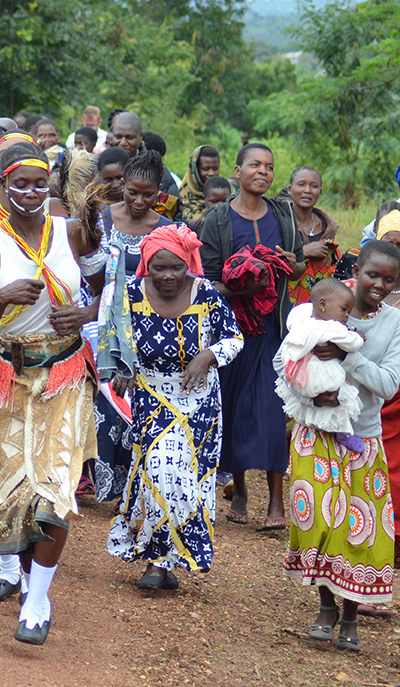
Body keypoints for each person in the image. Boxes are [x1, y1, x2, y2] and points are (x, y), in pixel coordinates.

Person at [0, 138, 102, 645]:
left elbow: (111, 295)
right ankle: (25, 578)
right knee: (19, 492)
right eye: (20, 183)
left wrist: (85, 315)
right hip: (8, 376)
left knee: (55, 489)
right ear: (1, 183)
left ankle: (38, 598)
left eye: (40, 183)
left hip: (64, 375)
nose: (32, 191)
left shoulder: (73, 232)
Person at [106, 225, 244, 588]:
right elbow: (116, 337)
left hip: (198, 402)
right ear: (147, 266)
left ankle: (164, 561)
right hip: (151, 396)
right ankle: (157, 561)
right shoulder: (131, 294)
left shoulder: (207, 293)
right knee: (158, 470)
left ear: (189, 264)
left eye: (176, 268)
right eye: (159, 268)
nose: (168, 276)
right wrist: (125, 367)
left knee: (183, 480)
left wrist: (208, 356)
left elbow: (234, 337)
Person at [283, 240, 400, 652]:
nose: (379, 285)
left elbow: (388, 385)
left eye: (389, 279)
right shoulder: (321, 301)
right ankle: (326, 605)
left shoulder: (394, 324)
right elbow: (290, 361)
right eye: (373, 275)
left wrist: (347, 356)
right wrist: (311, 398)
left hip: (362, 439)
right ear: (357, 269)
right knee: (316, 518)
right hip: (315, 432)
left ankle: (350, 615)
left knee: (357, 529)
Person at [198, 143, 304, 530]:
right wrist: (245, 289)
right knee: (234, 408)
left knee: (274, 412)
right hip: (231, 332)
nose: (263, 172)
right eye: (255, 165)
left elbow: (297, 265)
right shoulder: (218, 219)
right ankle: (239, 490)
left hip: (273, 331)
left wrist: (292, 267)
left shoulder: (284, 214)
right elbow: (207, 279)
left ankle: (276, 503)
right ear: (238, 171)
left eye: (270, 167)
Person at [93, 151, 175, 502]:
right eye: (132, 193)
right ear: (121, 186)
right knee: (104, 405)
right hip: (98, 326)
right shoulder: (100, 220)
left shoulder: (166, 229)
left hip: (146, 327)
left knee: (138, 404)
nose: (139, 201)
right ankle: (102, 482)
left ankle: (133, 487)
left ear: (160, 192)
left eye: (148, 195)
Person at [276, 279, 365, 450]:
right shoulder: (330, 327)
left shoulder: (300, 323)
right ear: (323, 304)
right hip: (325, 377)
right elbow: (352, 343)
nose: (347, 315)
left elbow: (278, 359)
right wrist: (357, 336)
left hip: (299, 379)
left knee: (320, 405)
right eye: (344, 309)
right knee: (342, 398)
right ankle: (344, 433)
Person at [285, 166, 340, 305]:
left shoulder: (328, 225)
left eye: (314, 186)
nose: (307, 190)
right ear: (290, 189)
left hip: (321, 299)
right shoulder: (281, 222)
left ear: (320, 192)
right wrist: (304, 251)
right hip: (288, 298)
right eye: (301, 184)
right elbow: (273, 257)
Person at [179, 146, 221, 223]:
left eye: (215, 169)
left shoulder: (228, 193)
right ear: (195, 170)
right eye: (205, 169)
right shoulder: (181, 198)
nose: (211, 173)